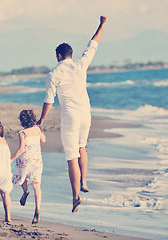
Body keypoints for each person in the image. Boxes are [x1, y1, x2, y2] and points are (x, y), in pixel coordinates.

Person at [37, 16, 109, 213]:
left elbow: (49, 100)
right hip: (86, 114)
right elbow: (93, 44)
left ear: (59, 55)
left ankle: (76, 196)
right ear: (70, 54)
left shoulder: (53, 74)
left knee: (71, 158)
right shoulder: (80, 65)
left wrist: (41, 120)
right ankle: (84, 181)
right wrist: (102, 24)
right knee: (82, 147)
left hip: (70, 117)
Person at [11, 110, 46, 224]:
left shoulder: (22, 133)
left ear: (22, 121)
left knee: (23, 177)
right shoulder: (37, 129)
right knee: (37, 186)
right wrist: (40, 129)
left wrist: (11, 158)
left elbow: (21, 149)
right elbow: (44, 140)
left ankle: (25, 191)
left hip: (25, 160)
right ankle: (37, 209)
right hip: (36, 161)